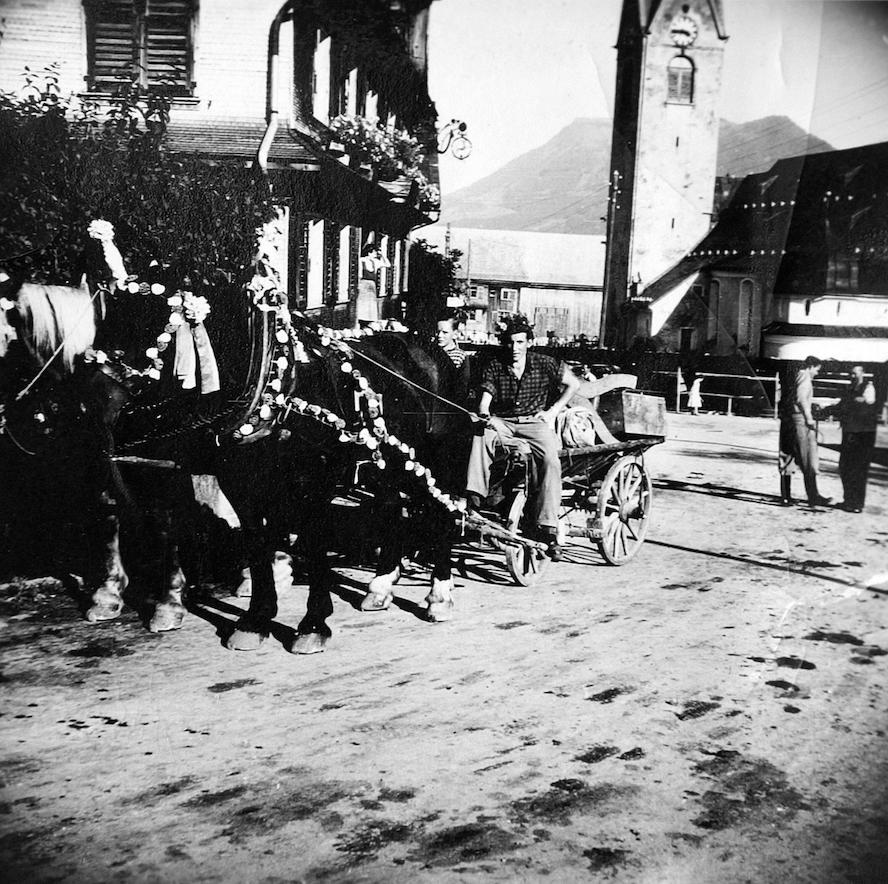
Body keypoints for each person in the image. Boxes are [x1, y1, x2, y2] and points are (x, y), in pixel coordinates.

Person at [465, 314, 580, 560]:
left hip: (533, 423)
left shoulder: (545, 363)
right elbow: (486, 398)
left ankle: (547, 526)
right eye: (510, 343)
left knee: (550, 459)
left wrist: (553, 412)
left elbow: (574, 384)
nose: (514, 348)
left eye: (519, 342)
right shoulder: (496, 365)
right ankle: (475, 496)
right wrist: (486, 414)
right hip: (504, 422)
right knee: (481, 433)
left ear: (528, 342)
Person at [778, 355, 832, 508]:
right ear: (810, 367)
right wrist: (809, 418)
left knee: (787, 456)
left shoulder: (794, 376)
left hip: (788, 419)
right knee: (808, 458)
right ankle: (813, 497)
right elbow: (801, 398)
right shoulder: (805, 377)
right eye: (817, 370)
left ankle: (786, 497)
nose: (817, 373)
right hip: (800, 421)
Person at [826, 365, 877, 513]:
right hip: (849, 433)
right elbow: (842, 405)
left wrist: (851, 403)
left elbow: (868, 402)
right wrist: (826, 410)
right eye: (851, 374)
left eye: (855, 374)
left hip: (862, 434)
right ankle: (848, 500)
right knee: (845, 467)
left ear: (863, 374)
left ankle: (857, 504)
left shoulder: (868, 388)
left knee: (858, 469)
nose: (852, 376)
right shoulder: (849, 390)